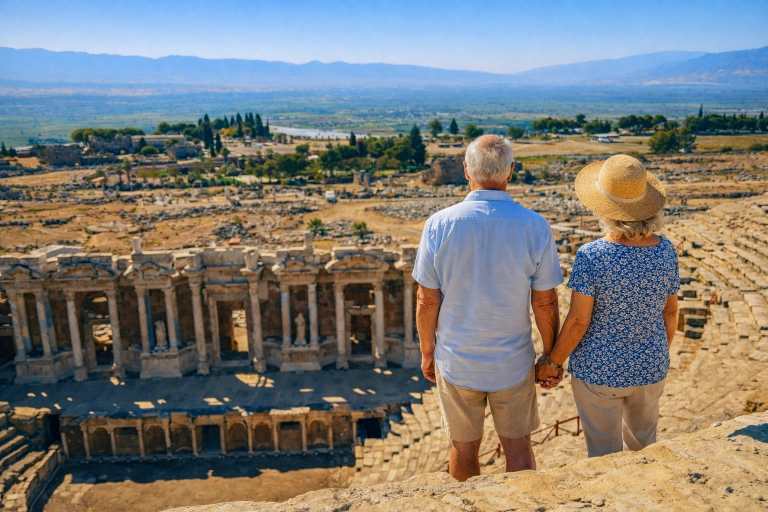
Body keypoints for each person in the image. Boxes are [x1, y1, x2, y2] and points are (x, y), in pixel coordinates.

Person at [413, 135, 564, 481]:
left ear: (466, 171)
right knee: (518, 446)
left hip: (457, 359)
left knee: (463, 448)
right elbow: (544, 301)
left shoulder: (439, 224)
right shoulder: (535, 225)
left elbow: (427, 299)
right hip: (512, 361)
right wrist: (551, 357)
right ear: (510, 171)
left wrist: (427, 352)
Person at [536, 154, 679, 457]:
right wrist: (655, 351)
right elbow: (670, 311)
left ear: (606, 210)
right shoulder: (666, 251)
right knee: (645, 448)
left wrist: (553, 363)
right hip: (651, 366)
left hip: (598, 372)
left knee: (604, 455)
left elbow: (578, 321)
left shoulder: (592, 255)